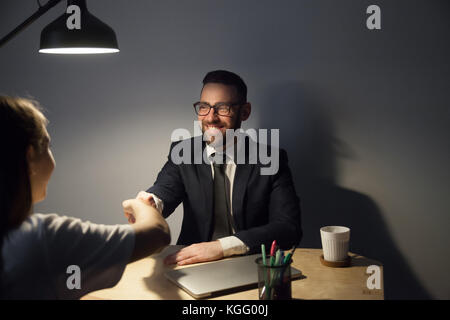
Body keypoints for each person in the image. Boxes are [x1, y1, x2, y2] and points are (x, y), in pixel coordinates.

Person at [0, 96, 170, 299]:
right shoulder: (41, 239)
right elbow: (158, 234)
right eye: (47, 146)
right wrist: (136, 204)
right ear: (30, 156)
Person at [136, 70, 302, 266]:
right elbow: (165, 189)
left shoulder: (271, 159)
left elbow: (288, 228)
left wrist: (222, 247)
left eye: (223, 108)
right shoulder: (183, 151)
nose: (210, 118)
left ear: (245, 112)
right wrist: (151, 202)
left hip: (250, 261)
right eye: (204, 107)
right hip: (190, 262)